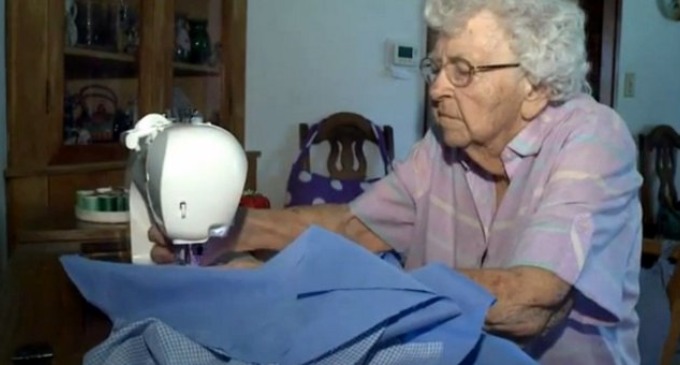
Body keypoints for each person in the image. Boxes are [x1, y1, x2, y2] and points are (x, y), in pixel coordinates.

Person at [150, 0, 642, 363]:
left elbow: (531, 300)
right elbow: (352, 227)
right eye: (437, 67)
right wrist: (232, 230)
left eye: (463, 71)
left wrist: (349, 287)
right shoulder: (443, 149)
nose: (436, 88)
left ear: (534, 87)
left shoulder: (593, 138)